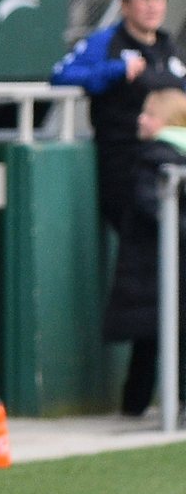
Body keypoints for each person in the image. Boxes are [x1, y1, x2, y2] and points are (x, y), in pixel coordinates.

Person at [51, 0, 186, 237]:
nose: (153, 7)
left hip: (173, 160)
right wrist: (114, 70)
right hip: (125, 162)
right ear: (125, 5)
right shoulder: (106, 42)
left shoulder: (169, 48)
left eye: (159, 0)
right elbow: (60, 75)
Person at [105, 86, 186, 417]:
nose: (140, 119)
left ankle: (142, 404)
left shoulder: (159, 157)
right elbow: (151, 205)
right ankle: (138, 404)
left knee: (158, 339)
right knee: (153, 339)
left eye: (149, 114)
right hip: (154, 266)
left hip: (160, 266)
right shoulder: (155, 160)